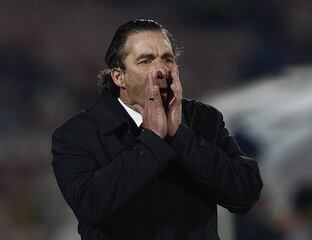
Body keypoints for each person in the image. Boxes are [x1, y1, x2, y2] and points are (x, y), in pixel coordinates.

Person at [51, 19, 263, 240]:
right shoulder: (75, 136)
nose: (161, 69)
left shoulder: (202, 119)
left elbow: (246, 192)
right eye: (146, 60)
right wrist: (152, 140)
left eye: (167, 59)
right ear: (118, 76)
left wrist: (181, 136)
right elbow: (90, 205)